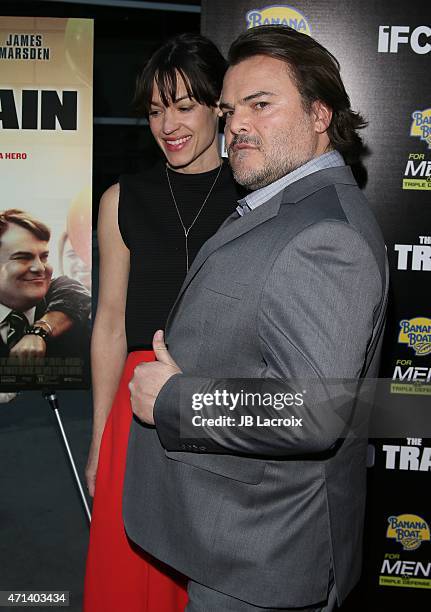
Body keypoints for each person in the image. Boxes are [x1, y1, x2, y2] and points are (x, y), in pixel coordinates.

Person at [125, 25, 389, 612]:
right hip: (236, 542)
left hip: (263, 557)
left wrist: (174, 399)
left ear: (320, 114)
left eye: (260, 105)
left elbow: (311, 409)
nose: (236, 123)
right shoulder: (281, 205)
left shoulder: (325, 234)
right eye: (229, 108)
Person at [83, 33, 244, 612]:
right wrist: (101, 437)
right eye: (156, 110)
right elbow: (108, 324)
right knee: (128, 578)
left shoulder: (254, 194)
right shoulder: (121, 199)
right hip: (137, 407)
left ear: (216, 107)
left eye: (183, 106)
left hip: (219, 403)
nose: (168, 125)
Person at [0, 209, 90, 361]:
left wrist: (38, 332)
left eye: (44, 257)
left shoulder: (67, 296)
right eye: (23, 257)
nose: (40, 268)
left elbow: (75, 293)